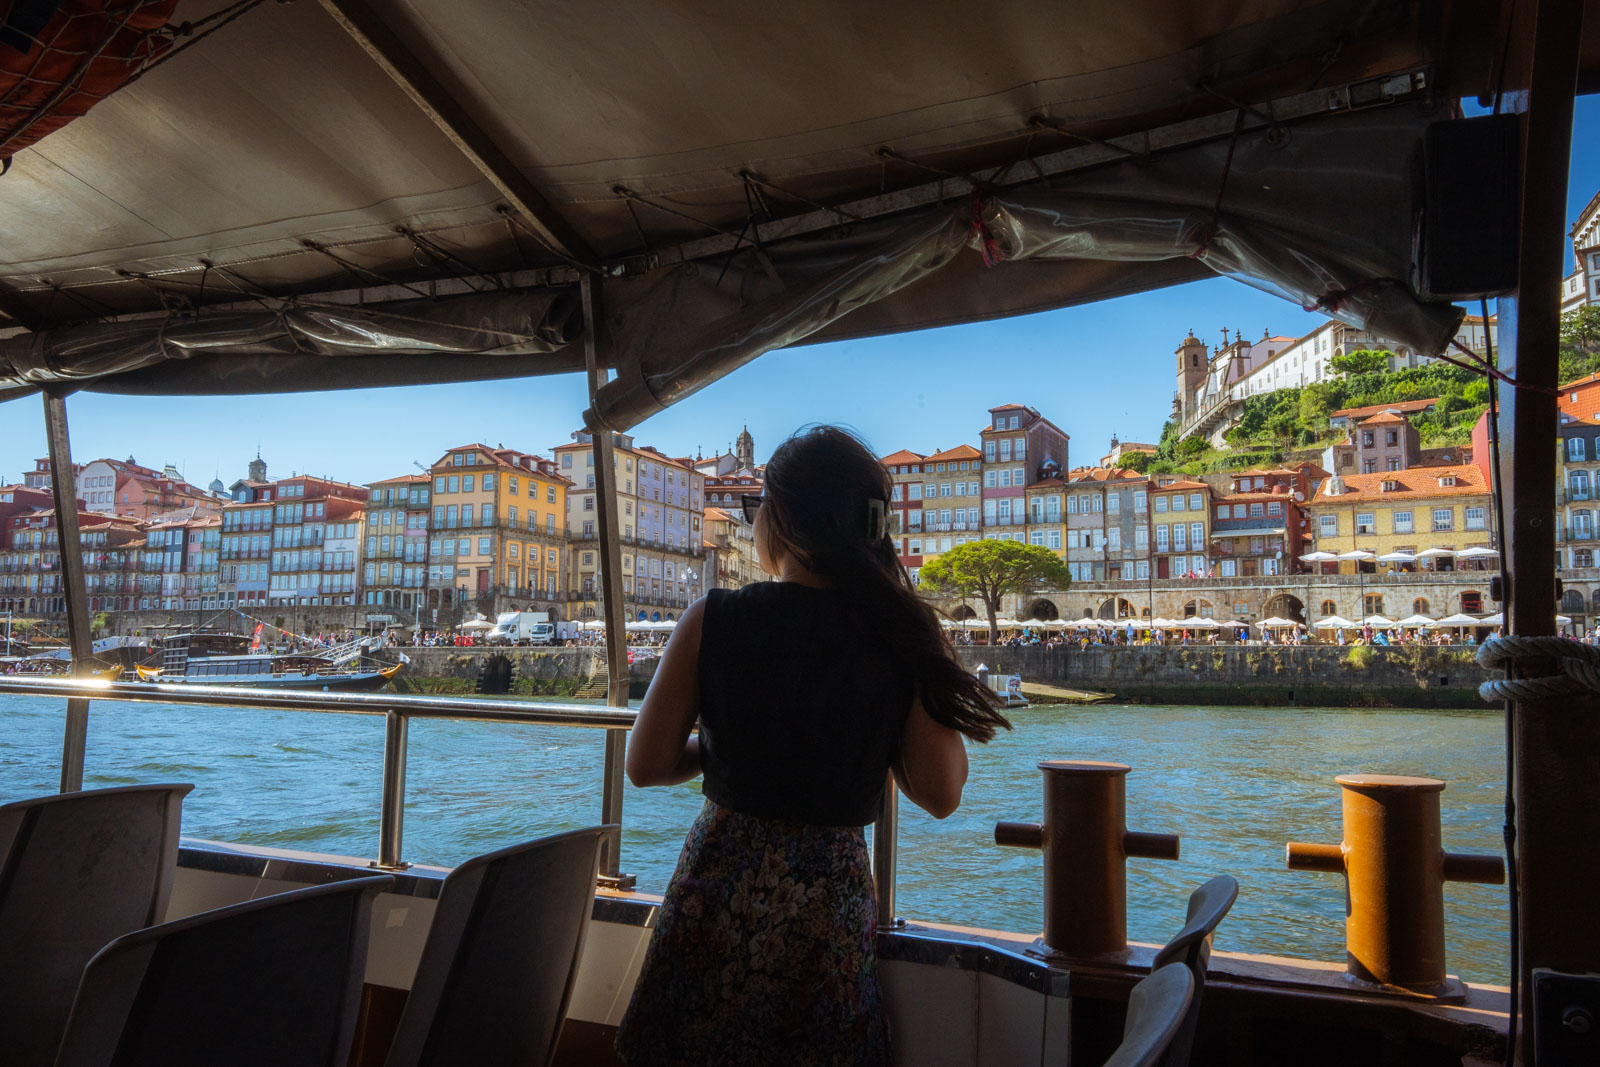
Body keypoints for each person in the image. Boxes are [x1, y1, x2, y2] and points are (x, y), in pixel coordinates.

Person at [615, 426, 1010, 1066]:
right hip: (826, 900)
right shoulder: (898, 633)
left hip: (720, 882)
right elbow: (940, 793)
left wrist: (725, 751)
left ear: (783, 517)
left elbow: (646, 764)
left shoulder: (712, 619)